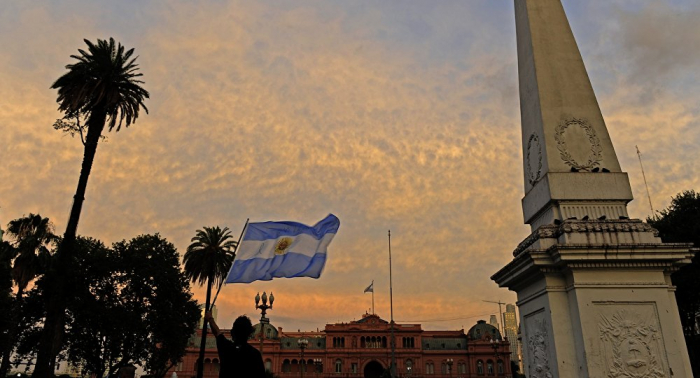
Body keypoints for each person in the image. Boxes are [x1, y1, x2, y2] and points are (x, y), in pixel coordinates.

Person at [205, 311, 266, 378]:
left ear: (233, 332)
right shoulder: (255, 354)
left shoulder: (227, 348)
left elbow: (217, 332)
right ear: (249, 334)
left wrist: (210, 318)